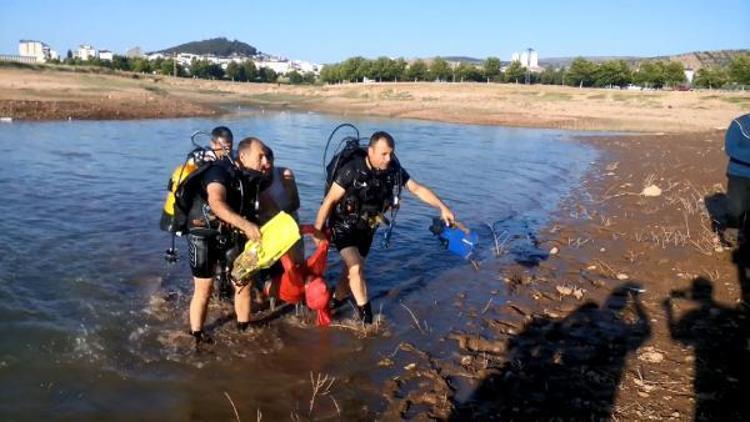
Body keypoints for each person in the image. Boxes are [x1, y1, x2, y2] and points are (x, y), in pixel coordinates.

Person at [313, 130, 456, 323]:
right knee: (355, 268)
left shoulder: (394, 169)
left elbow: (416, 188)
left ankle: (335, 301)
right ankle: (367, 320)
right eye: (383, 154)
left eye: (391, 153)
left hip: (369, 227)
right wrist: (317, 231)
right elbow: (329, 201)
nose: (388, 158)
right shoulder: (351, 170)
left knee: (350, 272)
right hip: (343, 225)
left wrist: (442, 206)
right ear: (370, 152)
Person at [186, 136, 274, 344]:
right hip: (203, 231)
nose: (266, 162)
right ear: (242, 156)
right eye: (260, 156)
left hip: (232, 232)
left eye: (267, 157)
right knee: (204, 287)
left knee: (243, 281)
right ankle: (196, 336)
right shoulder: (219, 171)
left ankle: (244, 330)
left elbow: (270, 207)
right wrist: (246, 225)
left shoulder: (252, 178)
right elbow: (216, 203)